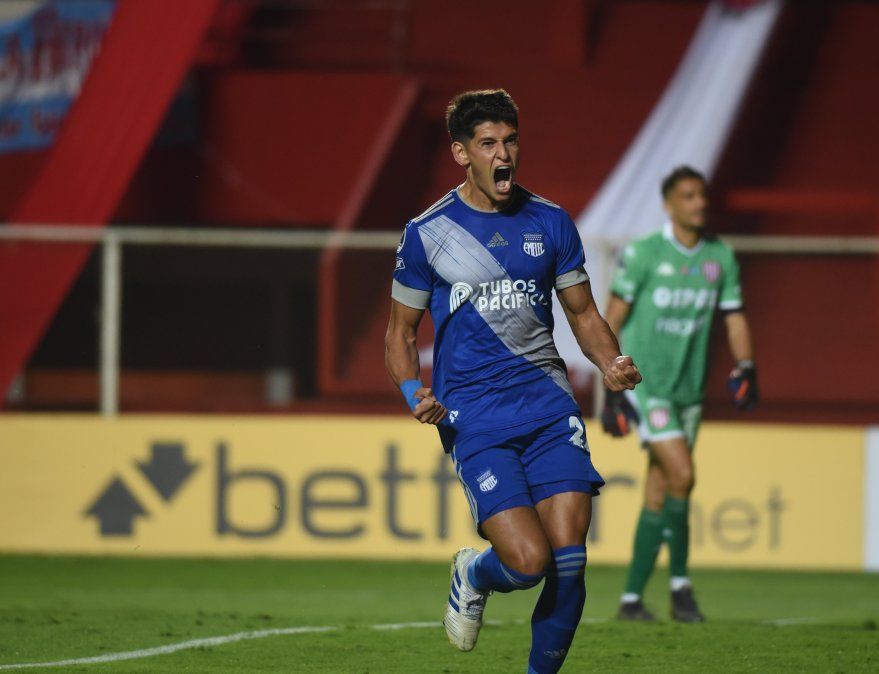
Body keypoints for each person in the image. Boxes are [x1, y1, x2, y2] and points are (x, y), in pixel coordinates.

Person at [385, 89, 642, 674]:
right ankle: (474, 571)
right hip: (474, 414)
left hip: (549, 405)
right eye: (488, 144)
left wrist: (610, 363)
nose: (504, 154)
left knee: (570, 561)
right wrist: (412, 392)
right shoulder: (430, 233)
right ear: (461, 153)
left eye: (510, 141)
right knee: (528, 564)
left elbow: (582, 314)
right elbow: (399, 333)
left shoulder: (550, 222)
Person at [601, 166, 758, 622]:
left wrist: (747, 365)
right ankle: (682, 587)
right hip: (648, 388)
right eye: (689, 196)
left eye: (702, 195)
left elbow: (735, 317)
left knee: (660, 489)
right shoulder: (644, 254)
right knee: (684, 475)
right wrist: (611, 383)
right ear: (669, 204)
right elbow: (611, 316)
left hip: (690, 390)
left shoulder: (720, 257)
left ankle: (631, 600)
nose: (699, 203)